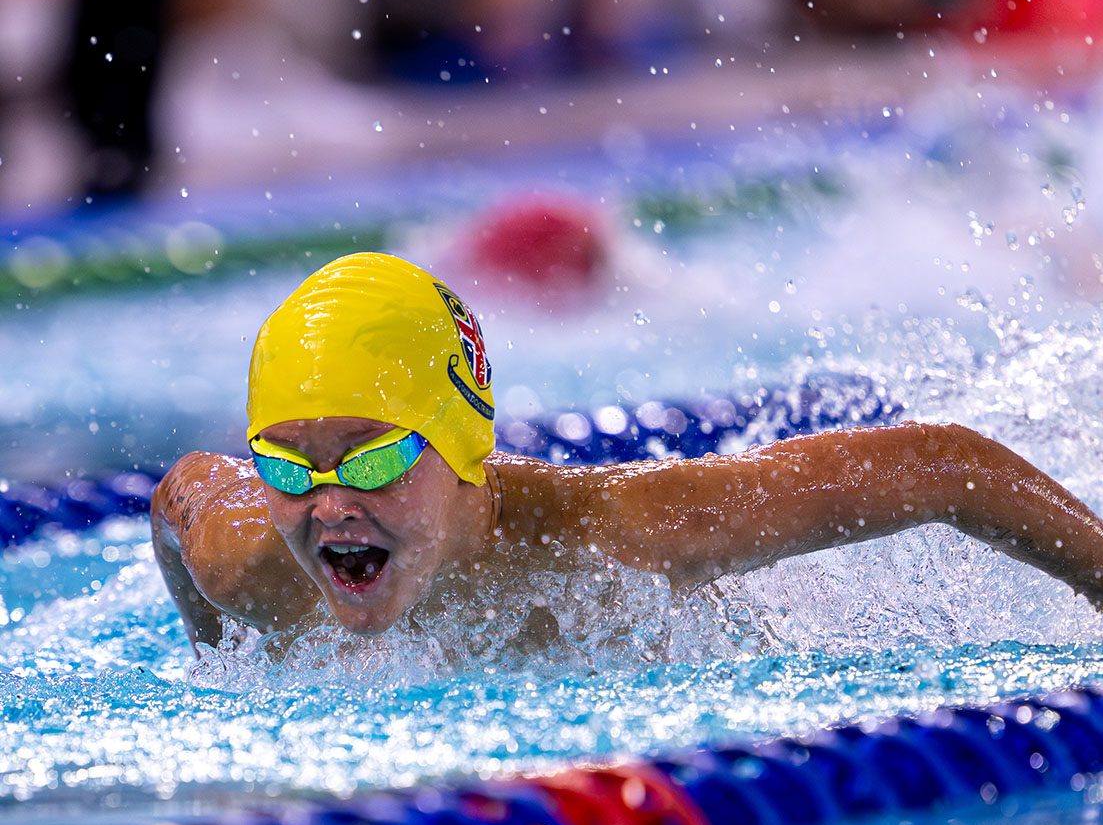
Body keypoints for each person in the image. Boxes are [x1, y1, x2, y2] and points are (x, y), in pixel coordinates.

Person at [152, 252, 1103, 655]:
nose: (327, 504)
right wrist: (226, 658)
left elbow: (941, 464)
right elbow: (176, 496)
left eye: (369, 460)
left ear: (463, 447)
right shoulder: (249, 561)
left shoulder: (618, 537)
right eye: (287, 465)